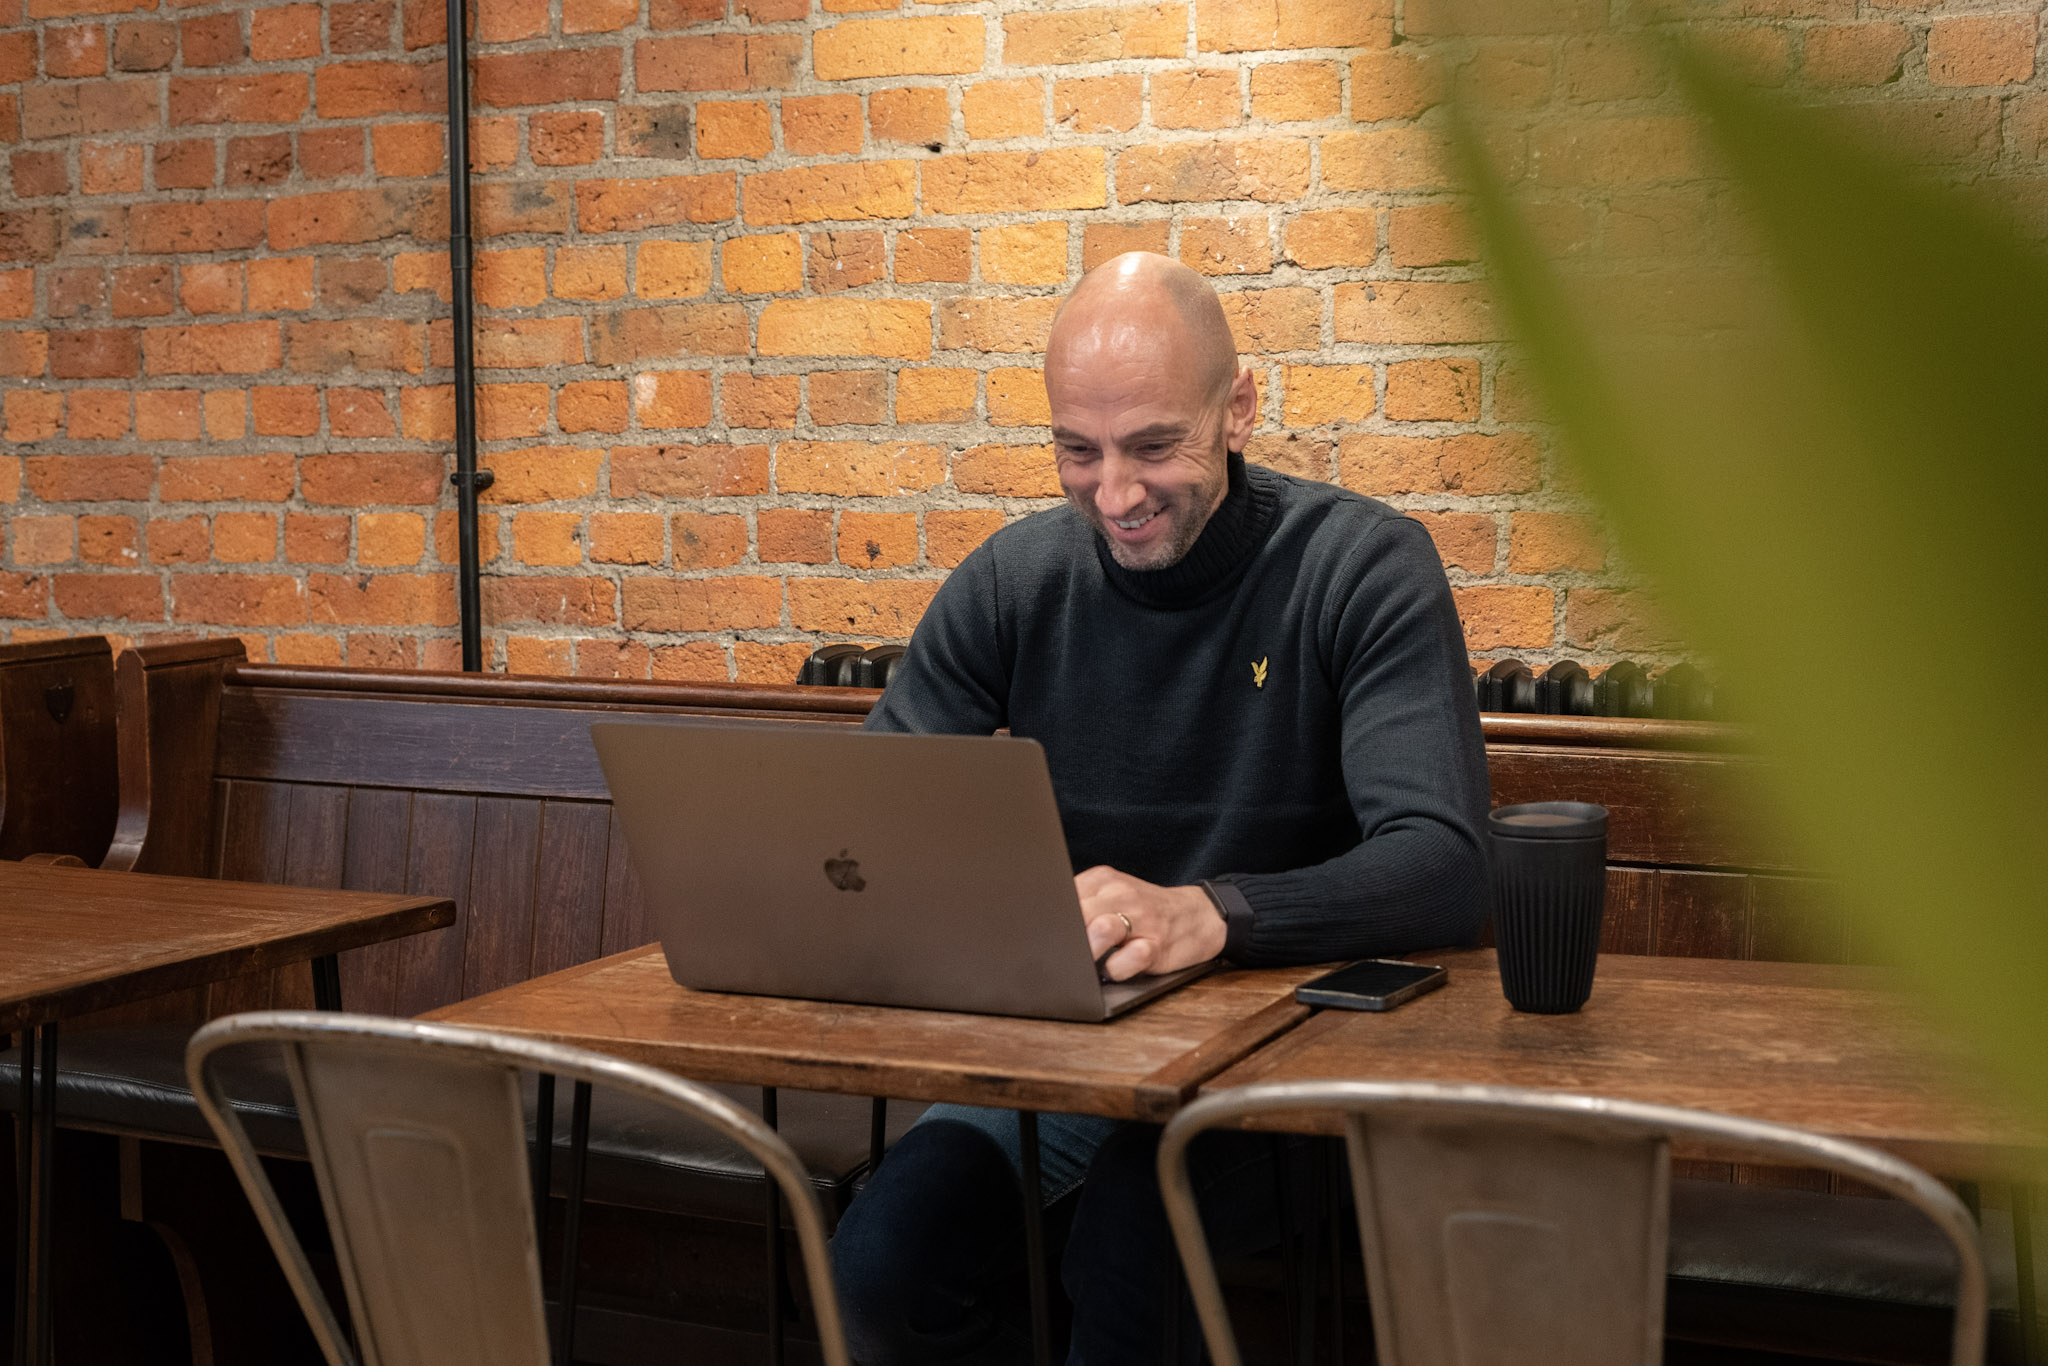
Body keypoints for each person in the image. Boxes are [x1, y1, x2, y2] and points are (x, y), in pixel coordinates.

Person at [829, 252, 1491, 1364]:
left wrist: (1214, 912)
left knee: (1129, 1251)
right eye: (1075, 453)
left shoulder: (1361, 564)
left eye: (1151, 447)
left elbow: (1442, 862)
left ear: (1235, 409)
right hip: (1078, 1057)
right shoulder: (1014, 580)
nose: (1115, 496)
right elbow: (857, 824)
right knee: (876, 1270)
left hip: (1297, 1056)